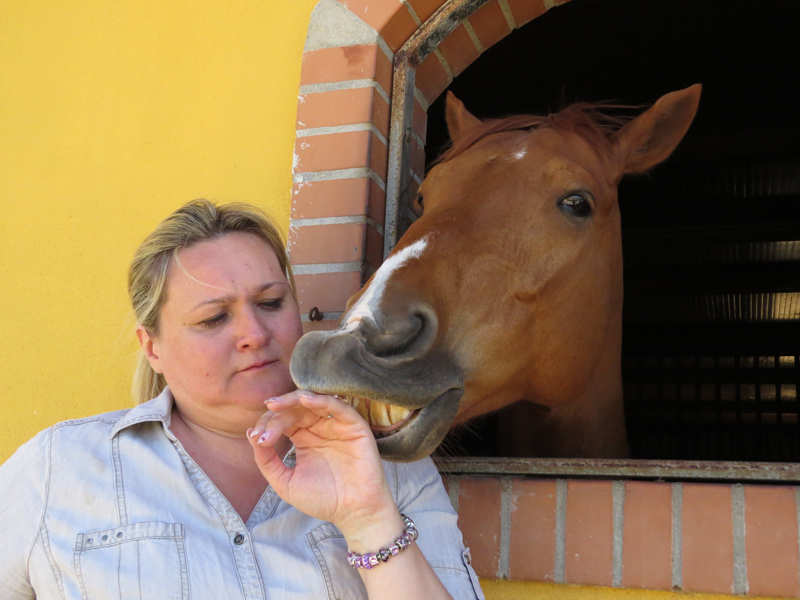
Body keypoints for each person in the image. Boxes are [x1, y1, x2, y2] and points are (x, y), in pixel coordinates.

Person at [0, 199, 484, 600]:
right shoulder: (56, 470)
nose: (255, 333)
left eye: (271, 303)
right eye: (214, 318)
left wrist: (368, 519)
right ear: (153, 348)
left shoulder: (388, 466)